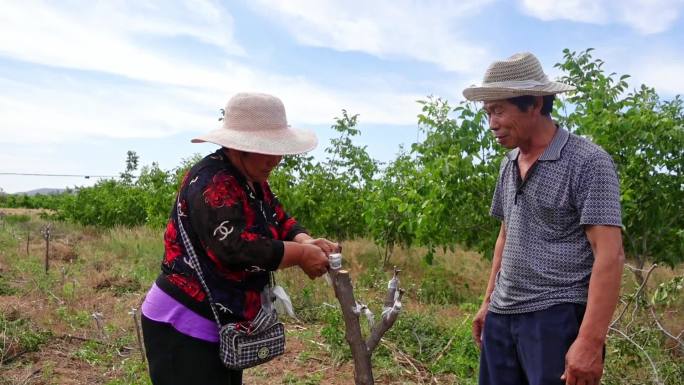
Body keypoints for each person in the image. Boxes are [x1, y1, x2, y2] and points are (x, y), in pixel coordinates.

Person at [140, 92, 338, 385]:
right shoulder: (212, 182)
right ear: (238, 146)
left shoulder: (251, 180)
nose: (275, 160)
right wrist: (299, 255)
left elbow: (278, 218)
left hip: (221, 322)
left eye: (278, 149)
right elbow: (233, 247)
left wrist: (306, 241)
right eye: (266, 149)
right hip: (183, 322)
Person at [463, 53, 625, 385]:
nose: (492, 123)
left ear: (534, 104)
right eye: (488, 113)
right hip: (503, 317)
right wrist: (488, 302)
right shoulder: (508, 163)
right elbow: (506, 236)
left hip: (556, 318)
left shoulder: (588, 162)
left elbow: (610, 254)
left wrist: (590, 341)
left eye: (499, 110)